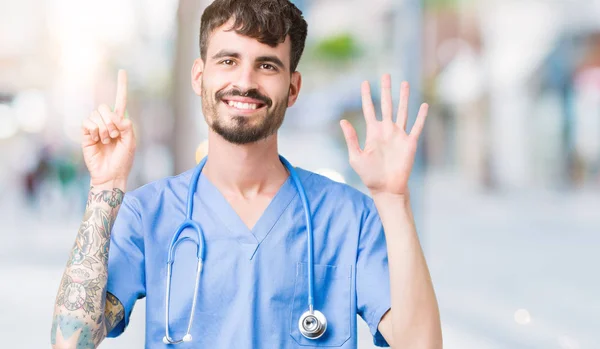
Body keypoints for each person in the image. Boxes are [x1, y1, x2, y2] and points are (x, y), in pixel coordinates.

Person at [50, 0, 442, 348]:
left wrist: (393, 200)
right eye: (228, 60)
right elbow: (70, 342)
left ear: (293, 87)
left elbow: (421, 345)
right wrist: (106, 187)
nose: (245, 82)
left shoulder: (348, 218)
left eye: (267, 65)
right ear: (198, 76)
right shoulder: (147, 214)